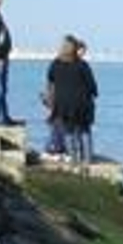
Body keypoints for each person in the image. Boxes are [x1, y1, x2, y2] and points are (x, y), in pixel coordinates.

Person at [46, 35, 98, 164]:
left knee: (69, 132)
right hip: (82, 105)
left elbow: (50, 80)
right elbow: (92, 86)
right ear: (75, 49)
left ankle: (74, 160)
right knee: (85, 130)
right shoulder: (82, 65)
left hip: (63, 105)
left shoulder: (55, 64)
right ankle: (87, 160)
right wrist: (94, 93)